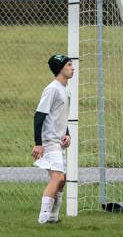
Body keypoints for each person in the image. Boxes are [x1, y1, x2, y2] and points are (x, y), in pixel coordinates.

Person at [32, 54, 73, 224]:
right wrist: (38, 144)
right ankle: (43, 219)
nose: (73, 68)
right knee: (58, 178)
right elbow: (39, 116)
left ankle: (53, 217)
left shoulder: (66, 89)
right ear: (60, 69)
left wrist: (67, 134)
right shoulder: (52, 89)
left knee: (62, 181)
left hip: (58, 142)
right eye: (69, 65)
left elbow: (61, 116)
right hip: (49, 141)